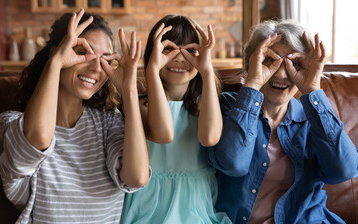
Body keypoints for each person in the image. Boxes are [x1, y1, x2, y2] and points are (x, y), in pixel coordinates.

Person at [0, 9, 150, 223]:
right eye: (82, 52)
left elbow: (137, 178)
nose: (96, 67)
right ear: (57, 52)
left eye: (106, 59)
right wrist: (55, 63)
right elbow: (39, 137)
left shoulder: (108, 121)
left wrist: (129, 91)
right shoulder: (11, 123)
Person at [208, 19, 358, 224]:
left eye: (295, 64)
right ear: (251, 64)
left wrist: (312, 89)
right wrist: (252, 83)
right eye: (270, 60)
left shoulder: (313, 116)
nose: (280, 73)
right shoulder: (226, 107)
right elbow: (234, 164)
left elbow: (345, 171)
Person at [119, 15, 231, 223]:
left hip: (195, 203)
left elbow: (210, 138)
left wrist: (206, 70)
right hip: (149, 204)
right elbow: (163, 132)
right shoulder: (141, 105)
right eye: (168, 49)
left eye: (190, 51)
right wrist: (152, 68)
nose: (180, 58)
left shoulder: (203, 103)